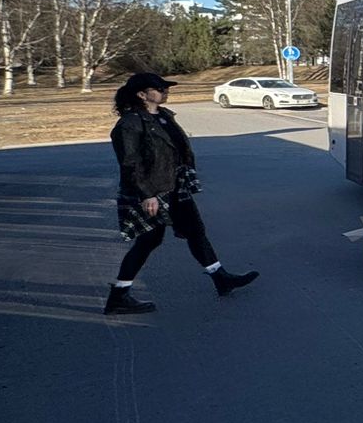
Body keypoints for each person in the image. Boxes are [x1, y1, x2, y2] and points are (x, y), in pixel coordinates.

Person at [105, 73, 259, 314]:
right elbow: (130, 163)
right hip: (152, 192)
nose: (165, 91)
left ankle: (221, 278)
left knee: (196, 232)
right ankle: (118, 296)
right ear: (141, 94)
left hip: (175, 187)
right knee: (148, 241)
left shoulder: (164, 116)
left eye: (165, 87)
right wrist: (147, 195)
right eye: (158, 88)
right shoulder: (130, 124)